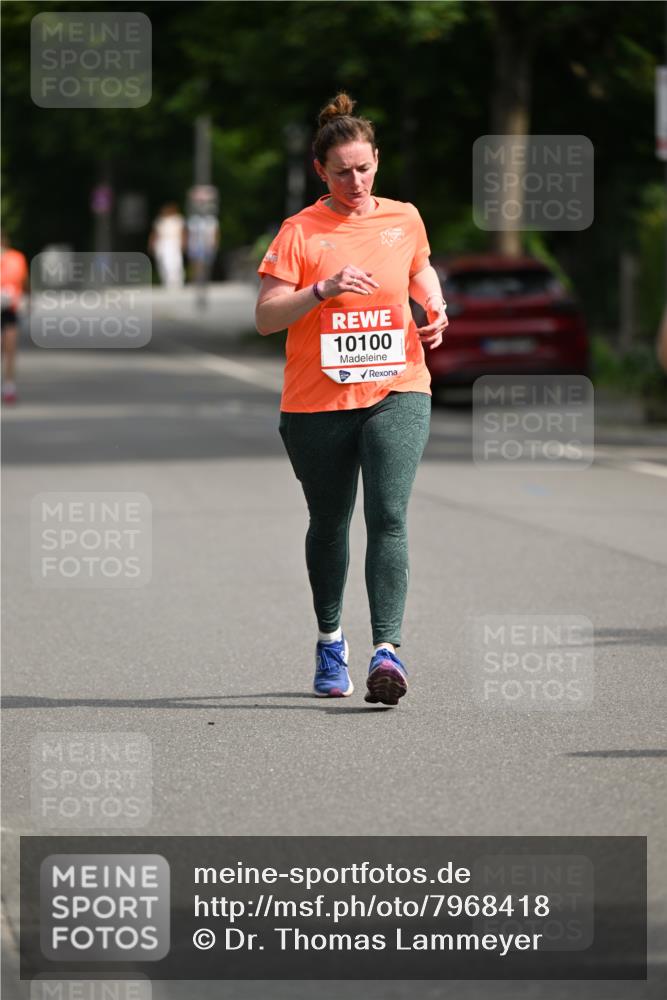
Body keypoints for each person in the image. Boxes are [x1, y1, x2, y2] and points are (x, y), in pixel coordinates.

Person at [255, 93, 448, 706]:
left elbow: (417, 268)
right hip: (317, 401)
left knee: (388, 515)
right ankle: (330, 637)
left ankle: (387, 650)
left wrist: (434, 305)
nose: (357, 181)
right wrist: (322, 288)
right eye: (342, 171)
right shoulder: (299, 232)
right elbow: (265, 317)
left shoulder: (404, 217)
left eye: (365, 168)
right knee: (330, 522)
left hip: (398, 386)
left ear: (376, 161)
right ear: (321, 171)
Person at [1, 231, 29, 404]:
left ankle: (9, 386)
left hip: (10, 307)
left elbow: (24, 281)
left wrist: (28, 298)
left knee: (10, 346)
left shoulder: (16, 258)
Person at [148, 203, 185, 288]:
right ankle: (166, 281)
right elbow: (154, 233)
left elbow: (183, 232)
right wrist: (151, 244)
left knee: (175, 262)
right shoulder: (159, 220)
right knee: (162, 262)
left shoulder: (178, 219)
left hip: (174, 242)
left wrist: (183, 243)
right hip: (162, 243)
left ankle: (176, 281)